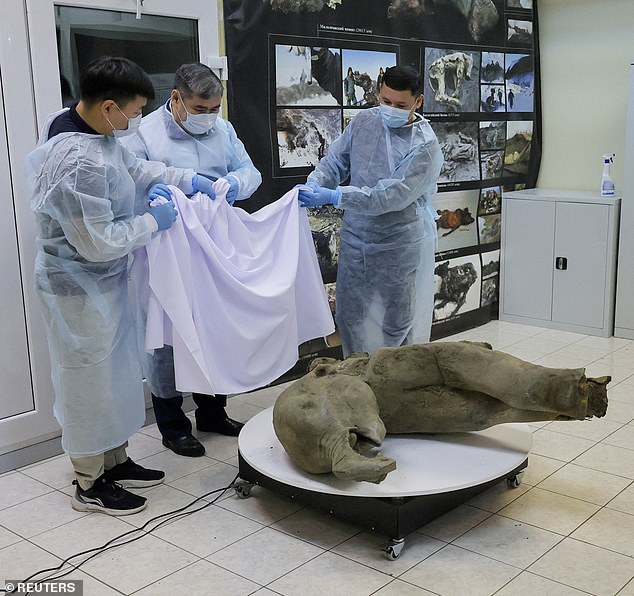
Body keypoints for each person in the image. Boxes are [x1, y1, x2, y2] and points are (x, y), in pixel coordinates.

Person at [25, 57, 216, 514]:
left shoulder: (98, 133)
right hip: (76, 286)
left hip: (104, 284)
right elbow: (97, 242)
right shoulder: (75, 160)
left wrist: (185, 178)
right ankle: (89, 482)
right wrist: (153, 221)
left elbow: (134, 169)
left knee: (114, 376)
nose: (135, 121)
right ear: (109, 106)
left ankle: (115, 459)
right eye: (132, 112)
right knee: (87, 382)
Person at [123, 63, 262, 457]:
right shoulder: (144, 134)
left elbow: (249, 172)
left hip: (212, 248)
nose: (208, 117)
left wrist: (235, 184)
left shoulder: (223, 130)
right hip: (162, 250)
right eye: (200, 109)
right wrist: (151, 198)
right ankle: (172, 425)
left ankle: (212, 413)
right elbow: (129, 181)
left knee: (211, 327)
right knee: (165, 336)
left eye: (214, 108)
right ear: (177, 100)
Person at [297, 65, 443, 357]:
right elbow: (335, 161)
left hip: (399, 243)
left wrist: (336, 195)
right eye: (385, 101)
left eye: (400, 105)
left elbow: (388, 196)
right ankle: (357, 381)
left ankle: (396, 386)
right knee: (351, 316)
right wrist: (317, 182)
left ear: (418, 102)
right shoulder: (364, 122)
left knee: (397, 323)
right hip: (357, 237)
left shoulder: (424, 146)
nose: (390, 109)